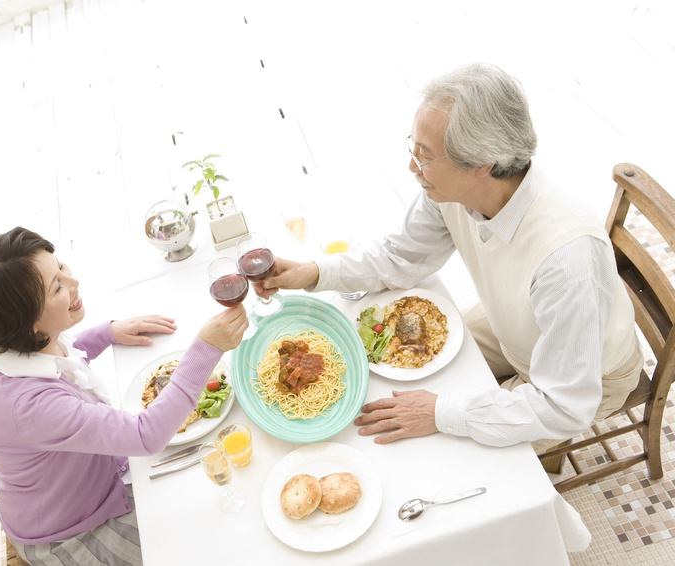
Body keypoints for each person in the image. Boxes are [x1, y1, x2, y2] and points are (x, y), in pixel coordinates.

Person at [255, 63, 643, 466]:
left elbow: (563, 406)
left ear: (483, 163)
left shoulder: (566, 260)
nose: (412, 167)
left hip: (586, 379)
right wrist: (314, 273)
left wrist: (442, 413)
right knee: (389, 368)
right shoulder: (453, 189)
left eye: (424, 156)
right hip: (516, 332)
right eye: (413, 147)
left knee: (442, 452)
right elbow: (401, 256)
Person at [0, 227, 247, 565]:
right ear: (26, 324)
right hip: (72, 531)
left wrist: (105, 334)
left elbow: (58, 361)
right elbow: (145, 436)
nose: (73, 283)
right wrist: (207, 348)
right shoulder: (28, 406)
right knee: (215, 537)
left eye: (61, 267)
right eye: (57, 287)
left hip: (91, 482)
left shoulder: (0, 341)